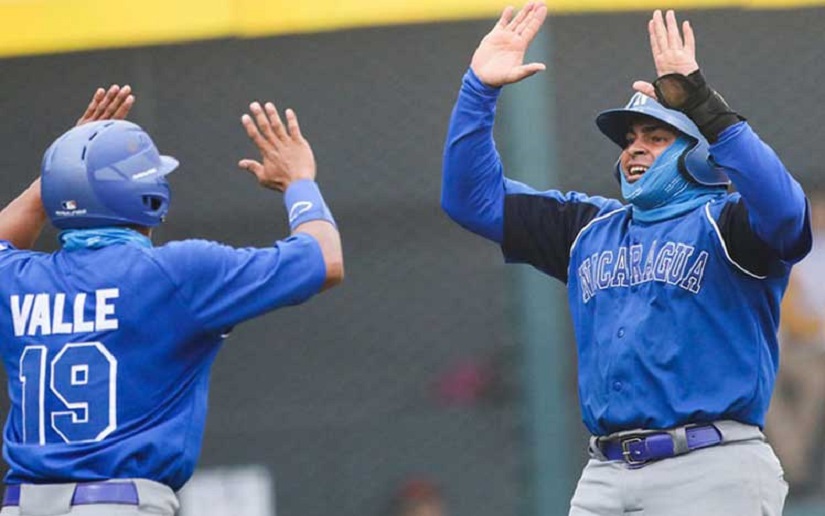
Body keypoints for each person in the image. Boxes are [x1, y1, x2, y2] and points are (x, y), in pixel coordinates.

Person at [441, 3, 810, 515]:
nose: (634, 149)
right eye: (630, 139)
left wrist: (704, 104)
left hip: (712, 467)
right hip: (606, 474)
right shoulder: (589, 227)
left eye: (656, 137)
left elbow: (787, 211)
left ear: (702, 155)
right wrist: (478, 90)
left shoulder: (728, 224)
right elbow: (469, 200)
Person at [0, 90, 343, 515]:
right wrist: (299, 182)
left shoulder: (17, 279)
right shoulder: (179, 271)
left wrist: (57, 180)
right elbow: (324, 260)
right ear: (149, 197)